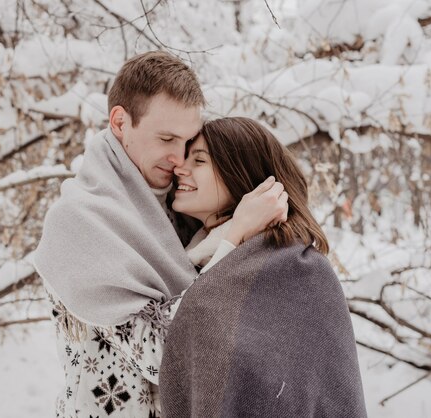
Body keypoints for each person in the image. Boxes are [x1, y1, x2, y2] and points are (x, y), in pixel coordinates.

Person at [33, 52, 288, 417]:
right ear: (120, 122)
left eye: (187, 142)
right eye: (167, 138)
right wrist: (235, 239)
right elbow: (166, 356)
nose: (179, 158)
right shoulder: (78, 223)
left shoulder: (181, 207)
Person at [160, 117, 367, 417]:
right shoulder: (188, 256)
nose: (180, 167)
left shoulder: (299, 271)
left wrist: (233, 239)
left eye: (199, 160)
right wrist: (233, 237)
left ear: (239, 173)